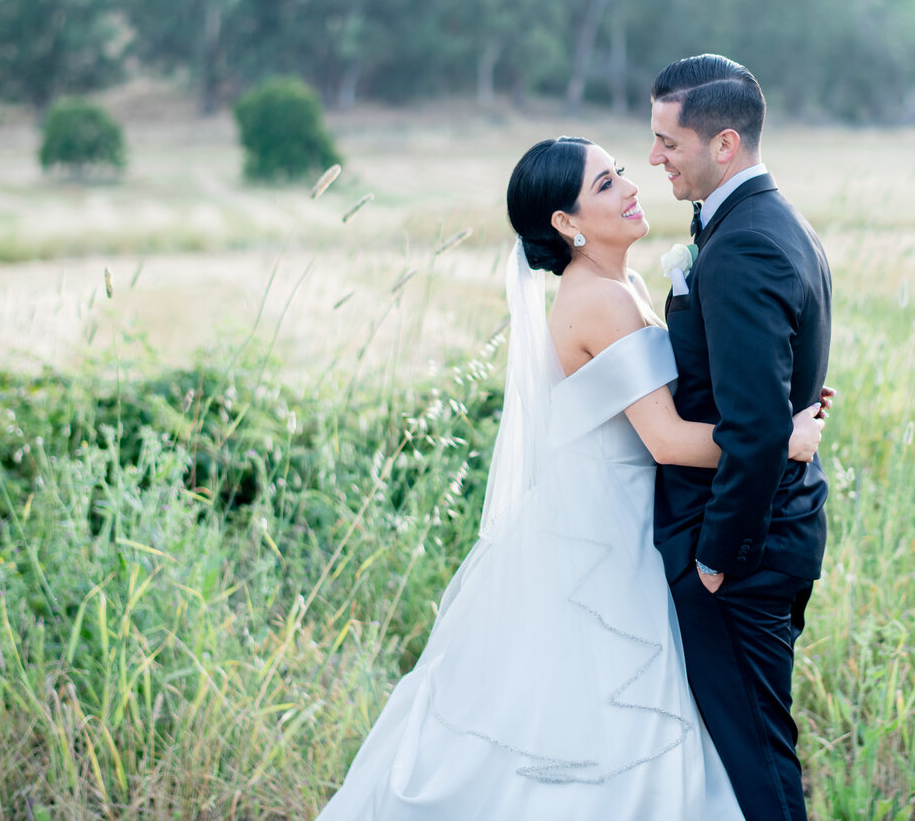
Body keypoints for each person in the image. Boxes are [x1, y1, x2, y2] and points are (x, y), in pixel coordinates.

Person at [317, 135, 829, 820]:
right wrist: (782, 437)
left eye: (621, 172)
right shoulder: (597, 302)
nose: (629, 186)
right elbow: (670, 439)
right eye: (606, 184)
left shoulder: (630, 286)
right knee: (594, 720)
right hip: (598, 537)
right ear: (566, 223)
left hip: (627, 518)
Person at [649, 54, 832, 821]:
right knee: (750, 749)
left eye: (668, 141)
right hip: (778, 529)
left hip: (740, 552)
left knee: (756, 761)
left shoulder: (744, 243)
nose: (655, 156)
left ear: (724, 144)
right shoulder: (768, 220)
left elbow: (756, 428)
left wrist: (717, 560)